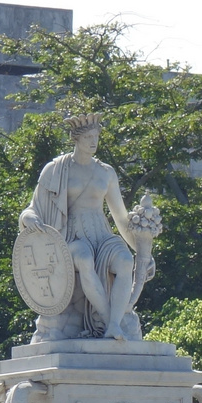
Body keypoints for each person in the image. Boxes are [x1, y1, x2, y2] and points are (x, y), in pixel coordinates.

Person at [19, 112, 141, 341]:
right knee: (84, 258)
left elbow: (121, 218)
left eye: (96, 137)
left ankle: (115, 324)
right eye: (88, 138)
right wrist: (28, 219)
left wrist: (141, 249)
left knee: (125, 261)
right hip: (71, 235)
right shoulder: (56, 169)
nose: (93, 142)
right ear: (76, 139)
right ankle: (108, 323)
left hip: (101, 234)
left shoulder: (106, 173)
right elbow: (32, 208)